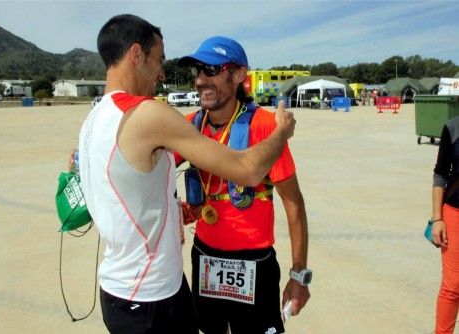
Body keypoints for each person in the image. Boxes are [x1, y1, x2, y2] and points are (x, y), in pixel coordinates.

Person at [77, 16, 296, 334]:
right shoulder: (149, 114)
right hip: (151, 298)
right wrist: (283, 132)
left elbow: (127, 182)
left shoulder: (94, 118)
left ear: (239, 76)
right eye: (159, 59)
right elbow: (249, 170)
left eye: (212, 70)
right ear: (136, 55)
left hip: (124, 290)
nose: (163, 72)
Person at [176, 36, 310, 334]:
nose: (200, 80)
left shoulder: (264, 126)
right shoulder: (187, 128)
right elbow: (145, 158)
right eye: (197, 70)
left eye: (211, 70)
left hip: (254, 263)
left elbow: (293, 202)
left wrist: (299, 276)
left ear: (238, 75)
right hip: (205, 258)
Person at [431, 116, 459, 334]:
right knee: (452, 287)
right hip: (454, 214)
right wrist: (437, 218)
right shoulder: (453, 126)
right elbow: (440, 174)